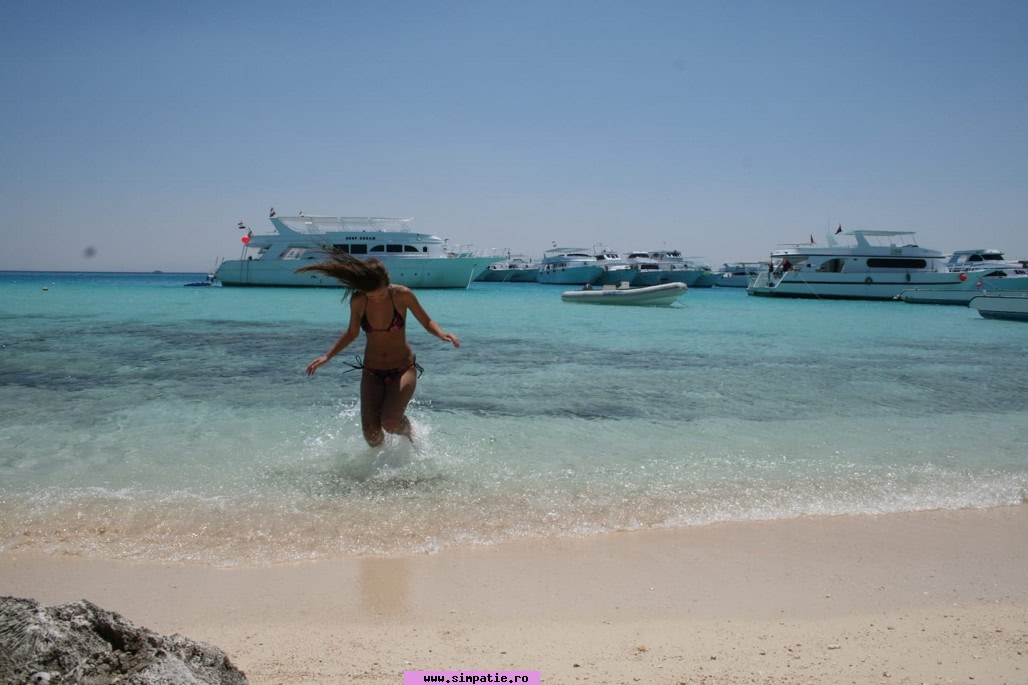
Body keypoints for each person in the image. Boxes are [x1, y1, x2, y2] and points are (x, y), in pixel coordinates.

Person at [298, 250, 460, 446]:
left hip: (402, 369)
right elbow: (352, 333)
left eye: (381, 294)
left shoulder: (402, 295)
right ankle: (382, 462)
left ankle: (412, 435)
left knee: (390, 422)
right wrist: (327, 356)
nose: (376, 298)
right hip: (372, 372)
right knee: (371, 434)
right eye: (371, 295)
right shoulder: (359, 300)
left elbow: (427, 321)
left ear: (387, 282)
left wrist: (442, 334)